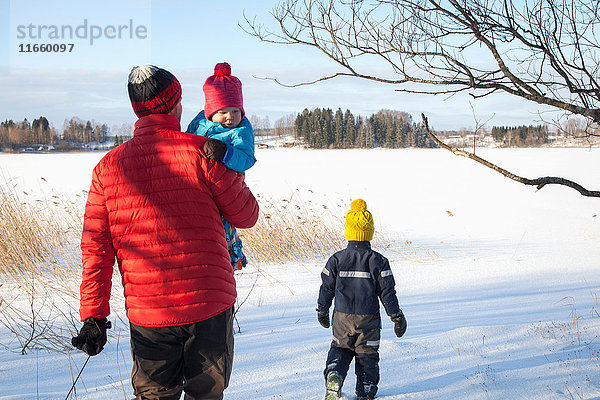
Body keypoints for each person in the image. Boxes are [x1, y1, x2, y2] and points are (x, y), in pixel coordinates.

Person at [71, 65, 259, 400]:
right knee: (206, 395)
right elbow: (247, 215)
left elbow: (95, 249)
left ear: (136, 109)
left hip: (151, 314)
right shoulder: (203, 152)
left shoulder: (107, 169)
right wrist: (231, 168)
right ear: (175, 105)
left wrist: (94, 316)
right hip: (209, 306)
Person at [316, 199, 407, 400]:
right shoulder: (379, 261)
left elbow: (326, 287)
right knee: (367, 355)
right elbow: (388, 293)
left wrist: (322, 310)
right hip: (369, 320)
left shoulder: (336, 259)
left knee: (340, 348)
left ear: (349, 231)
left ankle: (334, 374)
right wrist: (397, 316)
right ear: (369, 233)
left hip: (342, 318)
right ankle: (365, 389)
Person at [186, 62, 256, 271]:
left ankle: (230, 258)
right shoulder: (199, 123)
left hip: (226, 185)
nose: (230, 117)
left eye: (235, 111)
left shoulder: (242, 129)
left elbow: (247, 159)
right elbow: (188, 141)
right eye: (224, 111)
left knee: (223, 225)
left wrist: (226, 153)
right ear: (211, 111)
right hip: (197, 182)